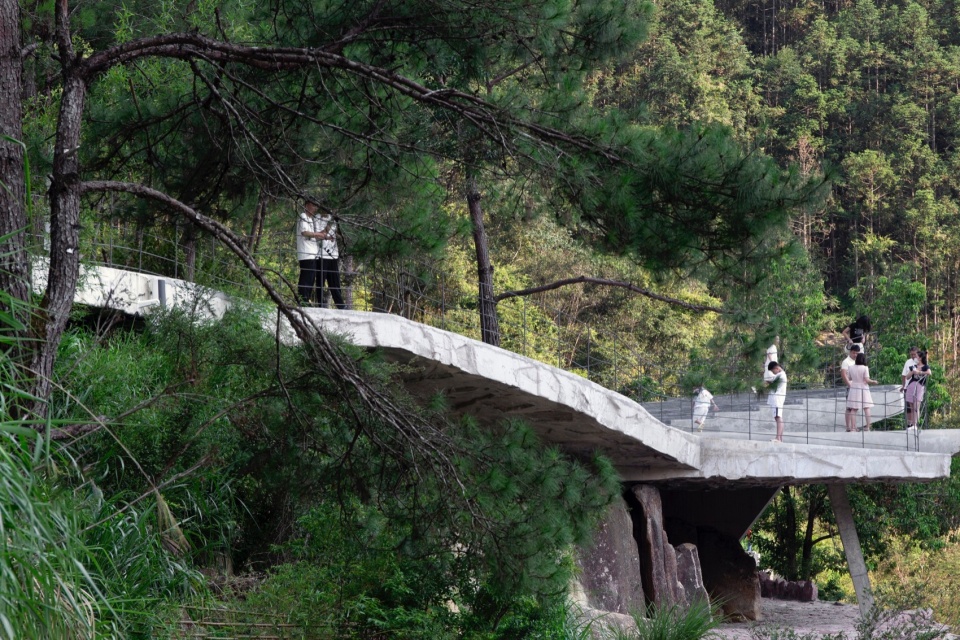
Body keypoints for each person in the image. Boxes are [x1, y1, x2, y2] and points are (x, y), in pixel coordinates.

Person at [314, 210, 345, 309]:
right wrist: (329, 226)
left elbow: (338, 235)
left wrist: (338, 235)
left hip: (333, 255)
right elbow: (319, 234)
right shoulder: (317, 218)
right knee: (320, 282)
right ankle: (321, 304)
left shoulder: (332, 218)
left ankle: (341, 305)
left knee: (335, 282)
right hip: (321, 255)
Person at [296, 198, 323, 306]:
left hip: (312, 254)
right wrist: (318, 234)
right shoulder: (303, 216)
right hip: (306, 253)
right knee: (306, 278)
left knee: (311, 279)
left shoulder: (310, 219)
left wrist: (324, 235)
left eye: (316, 206)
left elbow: (313, 234)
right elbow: (304, 232)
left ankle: (305, 301)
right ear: (307, 205)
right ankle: (302, 301)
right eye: (313, 205)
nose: (315, 208)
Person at [846, 352, 878, 432]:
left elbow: (849, 377)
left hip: (854, 388)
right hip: (863, 388)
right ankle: (868, 427)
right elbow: (867, 379)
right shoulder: (865, 368)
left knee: (853, 408)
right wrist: (873, 381)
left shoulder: (850, 367)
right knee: (866, 407)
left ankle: (853, 427)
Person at [904, 351, 930, 430]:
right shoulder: (913, 366)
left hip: (919, 386)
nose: (915, 358)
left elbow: (929, 373)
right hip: (911, 386)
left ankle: (915, 424)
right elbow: (907, 377)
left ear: (920, 358)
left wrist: (919, 372)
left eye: (917, 356)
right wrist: (913, 371)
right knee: (911, 407)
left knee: (916, 406)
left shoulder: (925, 366)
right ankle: (912, 424)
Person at [764, 361, 788, 442]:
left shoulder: (780, 375)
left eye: (772, 371)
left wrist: (766, 383)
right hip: (777, 399)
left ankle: (778, 438)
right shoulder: (781, 374)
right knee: (778, 417)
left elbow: (772, 382)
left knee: (778, 417)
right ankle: (780, 438)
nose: (773, 373)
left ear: (776, 368)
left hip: (777, 399)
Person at [840, 344, 861, 433]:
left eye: (857, 353)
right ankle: (848, 427)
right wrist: (849, 384)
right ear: (850, 352)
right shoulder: (846, 362)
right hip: (851, 386)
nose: (855, 355)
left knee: (855, 407)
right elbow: (843, 374)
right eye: (853, 353)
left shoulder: (859, 361)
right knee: (849, 407)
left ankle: (853, 426)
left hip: (858, 386)